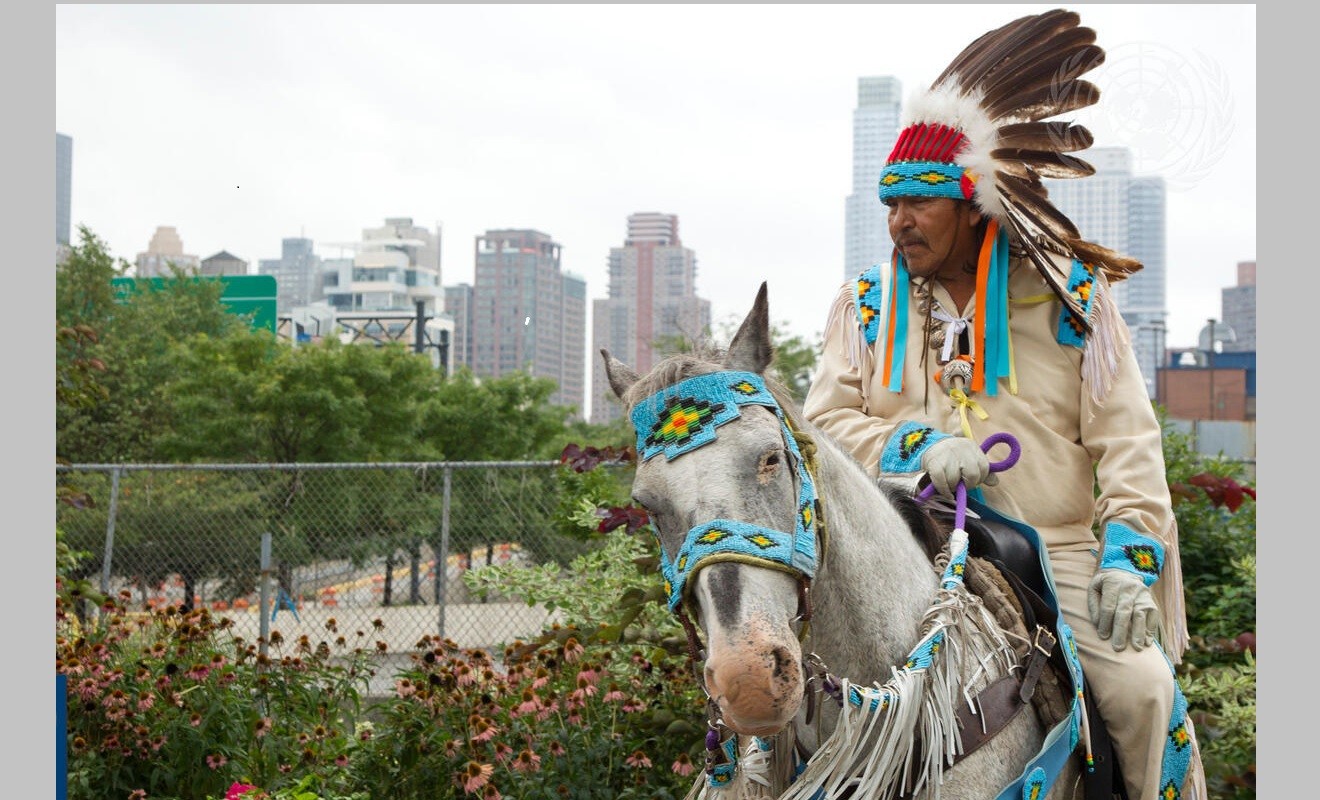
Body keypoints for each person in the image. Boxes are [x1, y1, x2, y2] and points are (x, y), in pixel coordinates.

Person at [801, 9, 1206, 800]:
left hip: (1054, 554)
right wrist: (914, 448)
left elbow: (1130, 449)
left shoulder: (1070, 304)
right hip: (906, 546)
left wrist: (1128, 569)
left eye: (919, 203)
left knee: (1143, 692)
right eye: (890, 204)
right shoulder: (866, 309)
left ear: (975, 202)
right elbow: (821, 428)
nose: (899, 222)